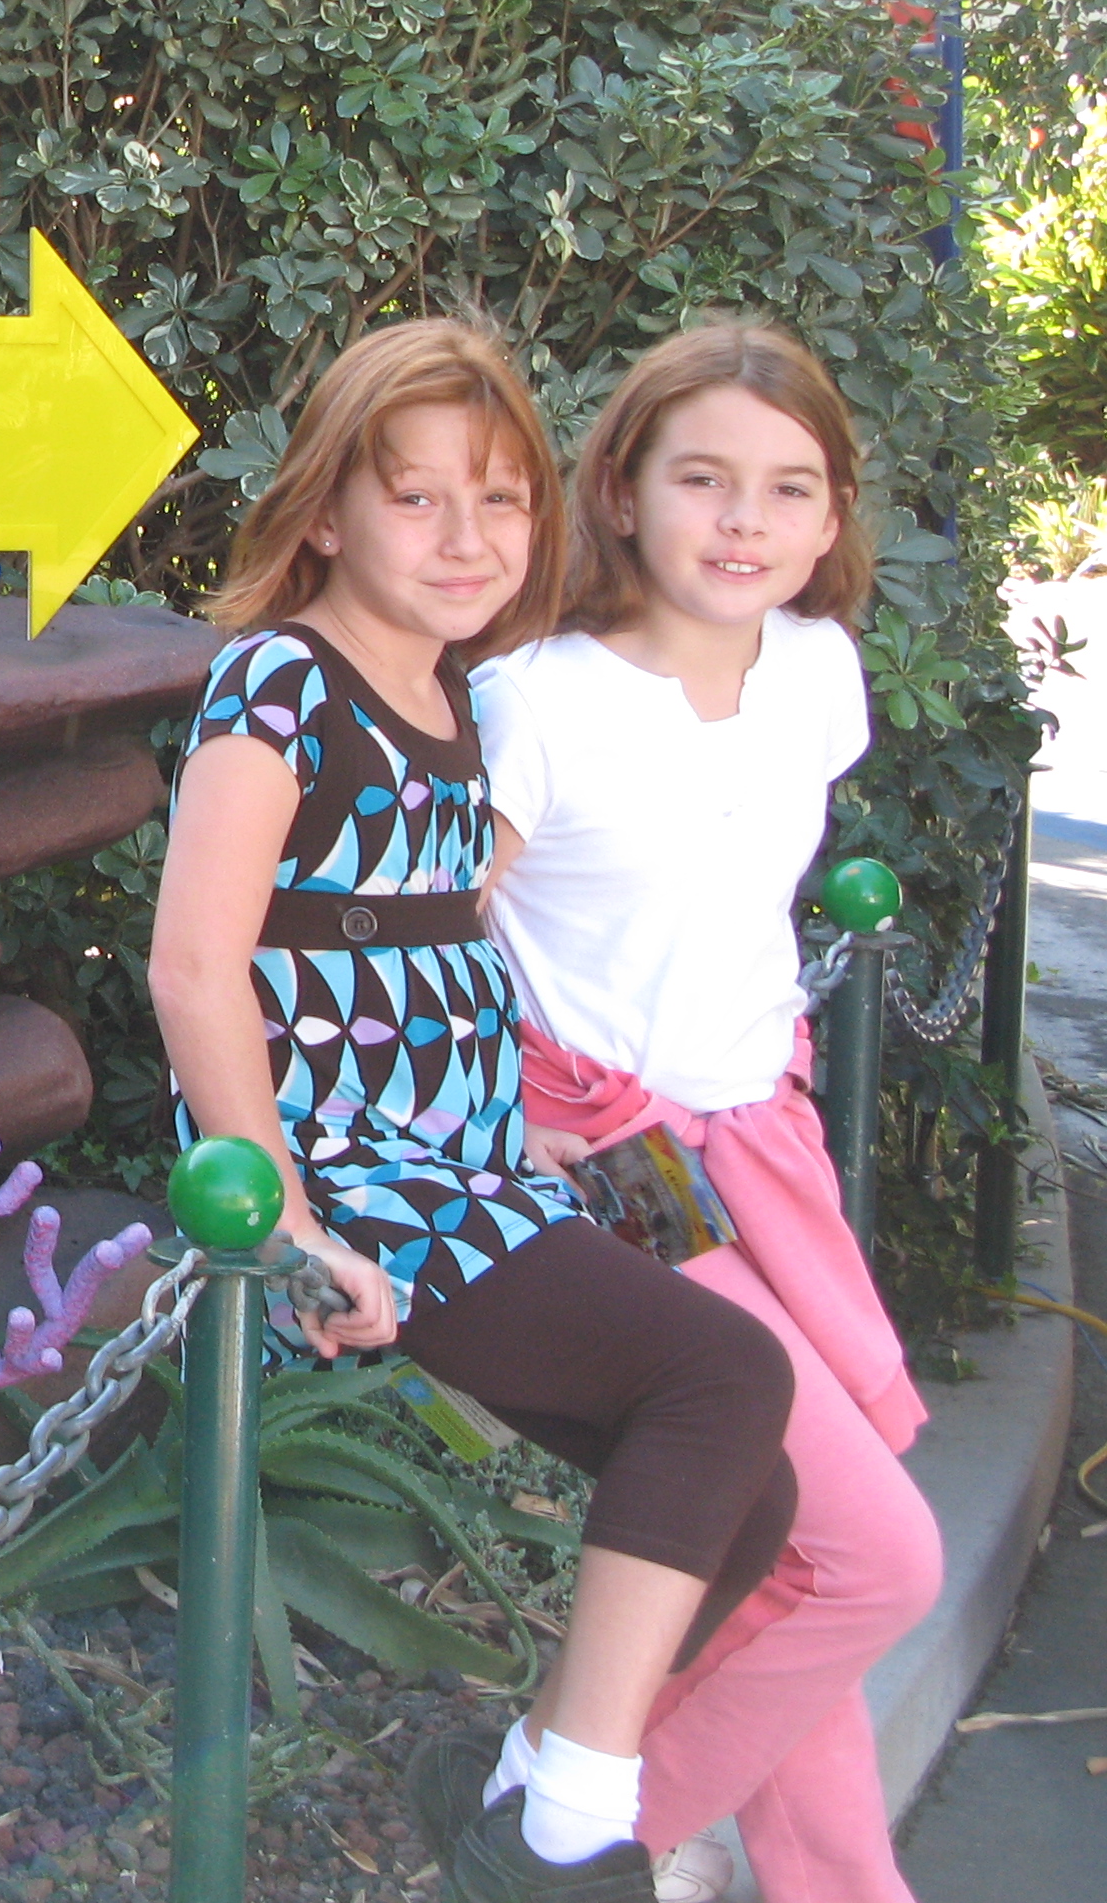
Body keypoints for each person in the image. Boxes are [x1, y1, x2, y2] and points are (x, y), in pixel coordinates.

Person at [149, 318, 803, 1903]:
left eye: (501, 501)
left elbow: (422, 953)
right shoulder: (282, 683)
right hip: (351, 1180)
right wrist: (285, 1214)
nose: (467, 539)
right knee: (723, 1377)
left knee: (752, 1494)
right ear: (325, 512)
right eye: (418, 499)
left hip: (460, 1158)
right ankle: (565, 1835)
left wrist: (513, 1125)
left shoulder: (443, 693)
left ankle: (520, 1792)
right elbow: (194, 965)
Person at [469, 324, 941, 1903]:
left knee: (794, 1547)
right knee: (876, 1559)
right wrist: (500, 1110)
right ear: (621, 491)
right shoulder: (536, 701)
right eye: (704, 480)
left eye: (789, 488)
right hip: (629, 1172)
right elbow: (423, 940)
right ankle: (553, 1849)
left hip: (768, 1148)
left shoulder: (817, 673)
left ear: (834, 515)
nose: (745, 521)